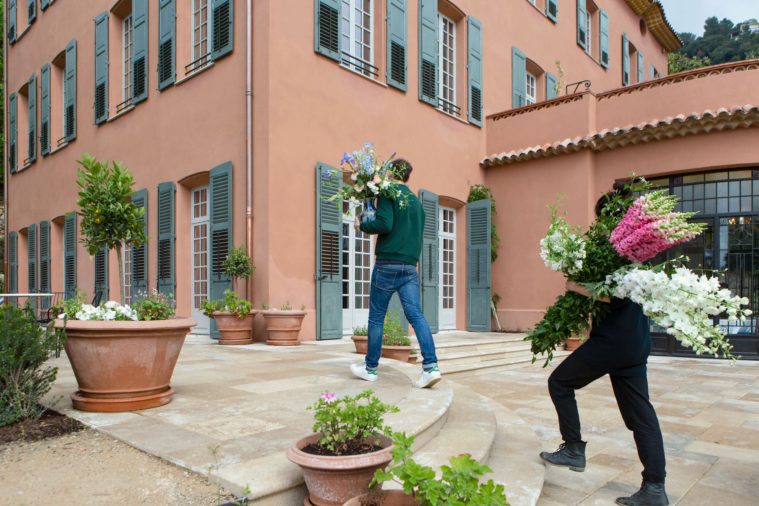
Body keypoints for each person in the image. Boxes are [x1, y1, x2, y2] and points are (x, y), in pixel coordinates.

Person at [539, 191, 668, 506]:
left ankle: (573, 448)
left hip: (613, 342)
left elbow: (615, 295)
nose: (599, 225)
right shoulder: (640, 249)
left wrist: (575, 286)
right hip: (636, 342)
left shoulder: (621, 248)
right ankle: (654, 486)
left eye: (601, 218)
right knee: (640, 416)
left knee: (559, 382)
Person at [349, 159, 441, 389]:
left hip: (387, 264)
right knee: (416, 315)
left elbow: (385, 223)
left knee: (377, 316)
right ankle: (431, 367)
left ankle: (370, 369)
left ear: (390, 173)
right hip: (409, 267)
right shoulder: (418, 204)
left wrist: (362, 225)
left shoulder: (388, 193)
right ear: (408, 177)